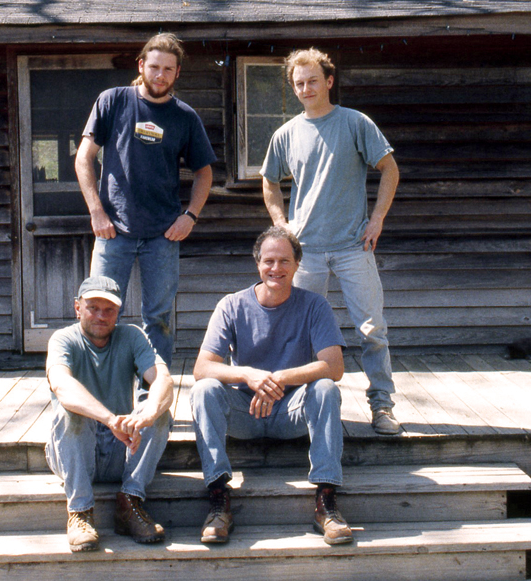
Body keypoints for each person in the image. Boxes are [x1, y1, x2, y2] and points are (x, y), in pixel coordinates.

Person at [260, 47, 401, 435]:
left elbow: (389, 169)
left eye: (312, 81)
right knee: (298, 330)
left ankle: (382, 405)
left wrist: (377, 219)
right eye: (299, 83)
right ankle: (300, 406)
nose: (306, 88)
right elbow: (269, 180)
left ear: (329, 81)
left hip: (354, 246)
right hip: (305, 252)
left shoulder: (355, 123)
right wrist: (280, 223)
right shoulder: (286, 134)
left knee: (372, 329)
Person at [190, 226, 352, 546]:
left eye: (284, 261)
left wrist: (280, 377)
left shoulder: (314, 305)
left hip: (291, 411)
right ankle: (219, 497)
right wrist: (248, 375)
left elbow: (334, 367)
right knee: (203, 390)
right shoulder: (232, 305)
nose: (276, 269)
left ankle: (326, 501)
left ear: (297, 265)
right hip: (246, 412)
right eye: (269, 261)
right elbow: (201, 367)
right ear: (258, 264)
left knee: (326, 389)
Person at [75, 32, 216, 368]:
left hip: (162, 236)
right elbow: (84, 158)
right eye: (154, 66)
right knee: (100, 312)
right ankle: (102, 399)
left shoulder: (184, 117)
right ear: (142, 65)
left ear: (177, 72)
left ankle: (154, 398)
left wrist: (190, 216)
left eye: (168, 69)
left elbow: (205, 173)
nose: (160, 75)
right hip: (113, 233)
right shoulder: (113, 101)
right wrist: (96, 211)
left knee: (159, 319)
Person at [45, 276, 174, 552]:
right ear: (77, 307)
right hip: (74, 452)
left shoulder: (131, 336)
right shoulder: (63, 339)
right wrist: (109, 419)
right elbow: (62, 385)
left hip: (122, 447)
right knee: (71, 412)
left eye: (109, 310)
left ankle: (130, 502)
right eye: (93, 308)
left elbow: (162, 379)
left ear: (119, 312)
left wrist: (148, 415)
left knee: (161, 411)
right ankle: (80, 512)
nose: (101, 316)